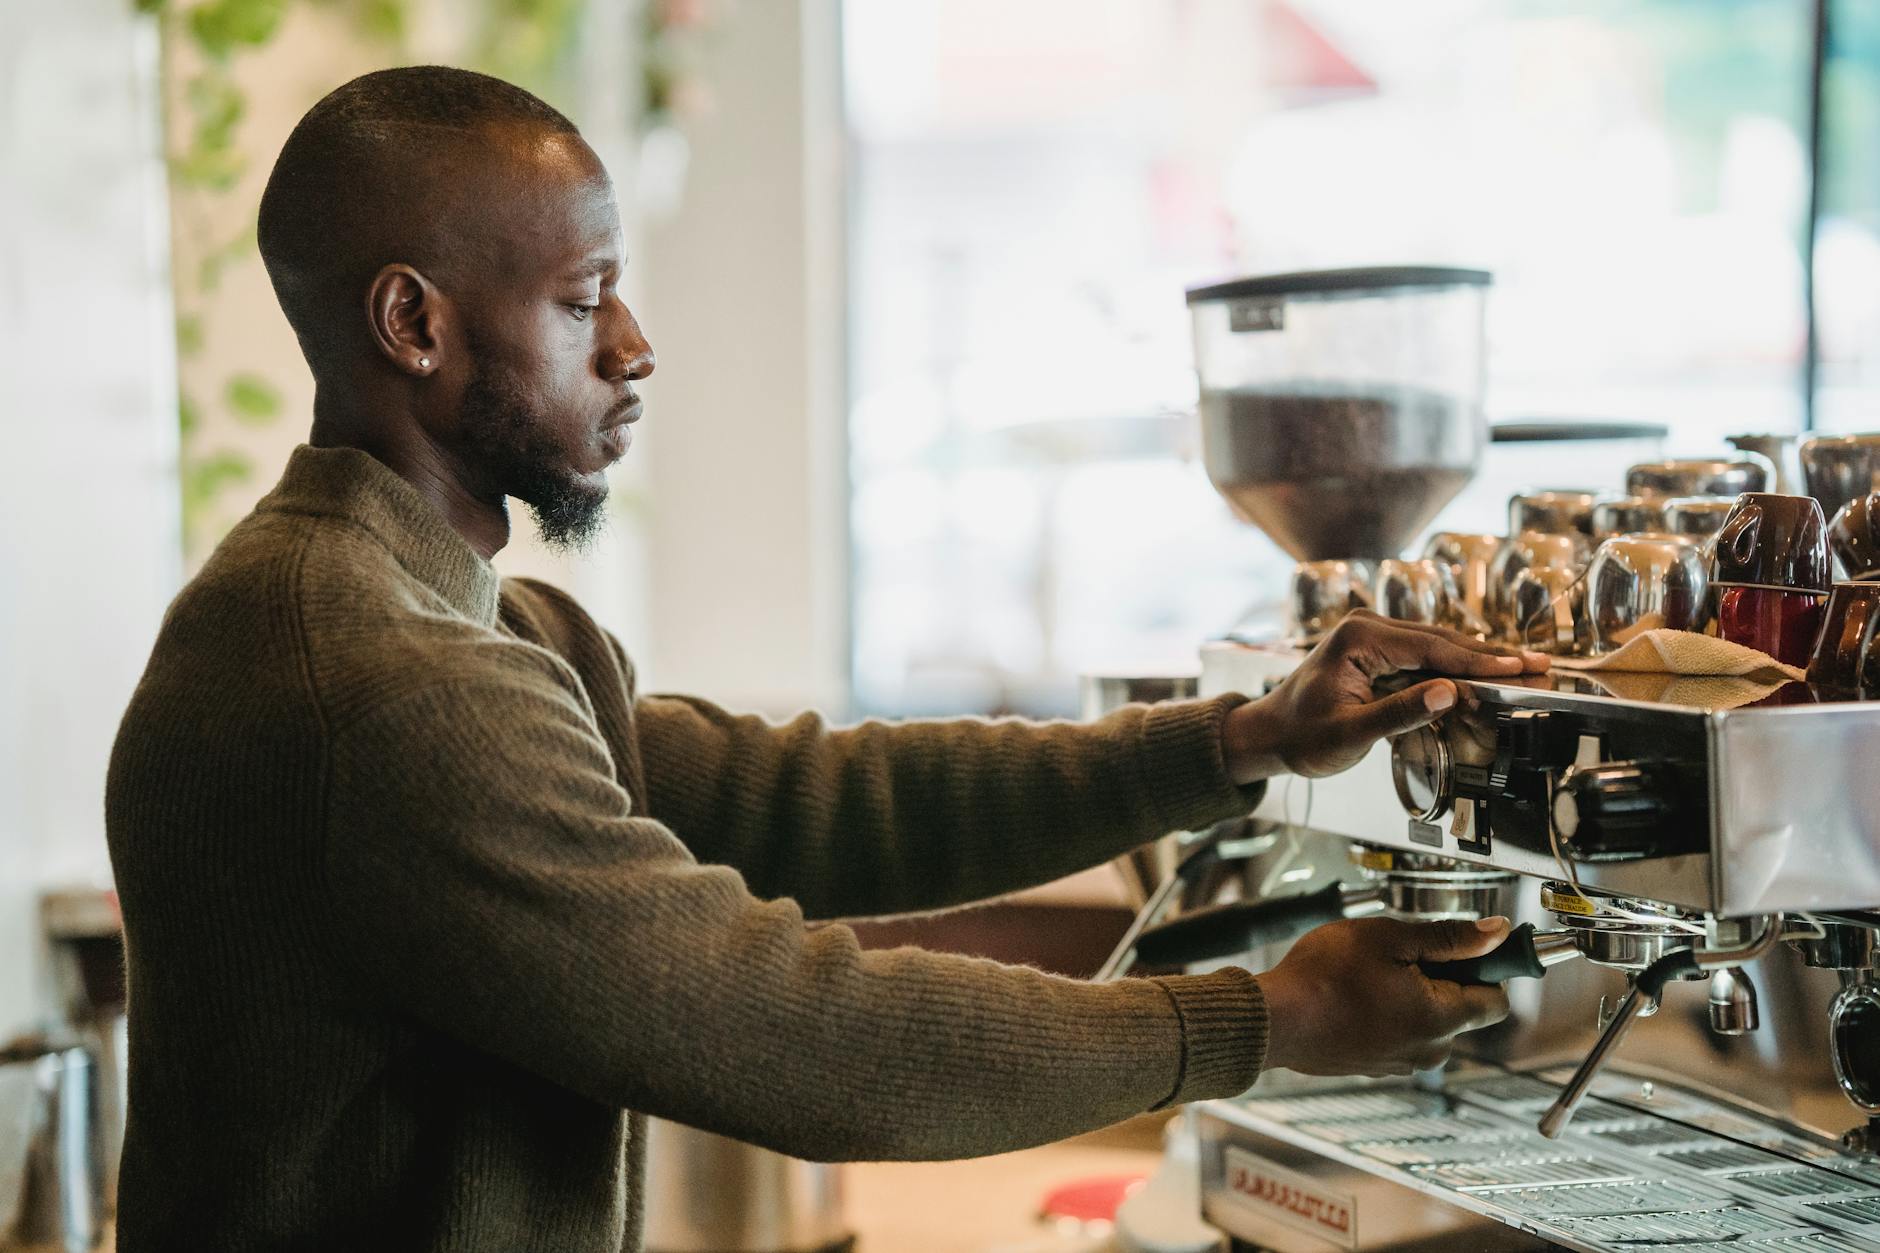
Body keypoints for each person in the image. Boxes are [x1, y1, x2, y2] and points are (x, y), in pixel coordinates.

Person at [105, 65, 1546, 1253]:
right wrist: (1277, 1013)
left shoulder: (448, 619)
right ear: (412, 322)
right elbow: (797, 1031)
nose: (635, 343)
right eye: (581, 296)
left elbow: (811, 801)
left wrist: (1236, 740)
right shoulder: (374, 683)